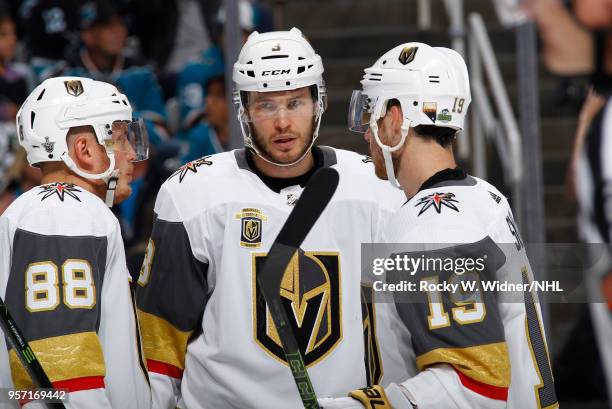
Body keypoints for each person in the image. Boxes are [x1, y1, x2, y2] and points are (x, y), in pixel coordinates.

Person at [135, 27, 404, 409]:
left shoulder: (376, 190)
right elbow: (159, 347)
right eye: (266, 105)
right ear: (243, 110)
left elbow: (404, 334)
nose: (282, 122)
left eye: (295, 103)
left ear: (318, 102)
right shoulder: (192, 194)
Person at [319, 43, 558, 408]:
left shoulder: (434, 226)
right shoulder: (482, 195)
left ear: (396, 118)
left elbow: (476, 388)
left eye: (373, 115)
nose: (367, 133)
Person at [0, 76, 151, 408]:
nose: (130, 154)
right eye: (120, 138)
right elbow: (65, 384)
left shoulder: (47, 211)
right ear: (84, 150)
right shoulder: (66, 215)